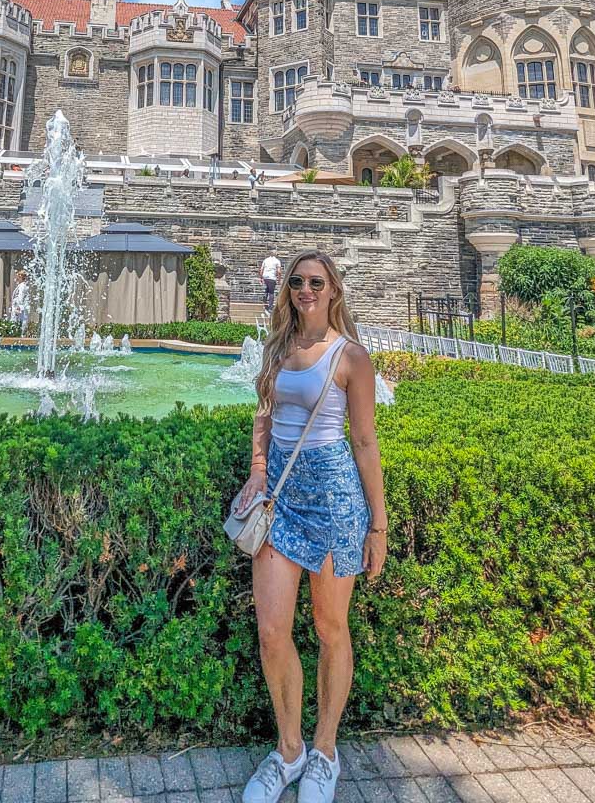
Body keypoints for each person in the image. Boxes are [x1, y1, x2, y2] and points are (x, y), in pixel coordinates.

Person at [235, 250, 387, 803]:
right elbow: (264, 415)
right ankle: (290, 750)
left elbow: (366, 443)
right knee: (273, 631)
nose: (304, 290)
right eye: (297, 281)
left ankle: (325, 750)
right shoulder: (277, 348)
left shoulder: (352, 357)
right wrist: (256, 472)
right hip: (279, 500)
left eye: (315, 282)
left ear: (333, 291)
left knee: (330, 629)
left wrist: (379, 524)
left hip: (334, 503)